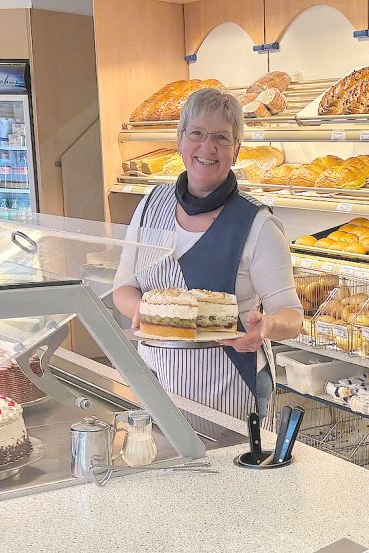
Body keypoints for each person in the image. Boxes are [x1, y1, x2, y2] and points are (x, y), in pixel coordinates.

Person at [114, 88, 303, 421]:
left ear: (237, 150)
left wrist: (267, 325)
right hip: (154, 380)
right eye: (197, 134)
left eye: (221, 138)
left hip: (228, 385)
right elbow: (123, 289)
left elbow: (292, 316)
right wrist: (154, 314)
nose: (207, 147)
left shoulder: (257, 224)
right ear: (180, 140)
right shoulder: (149, 205)